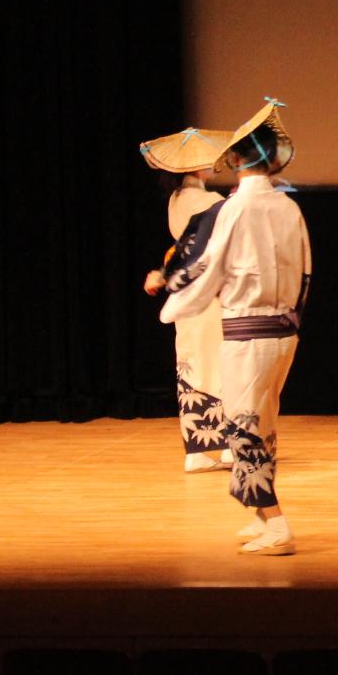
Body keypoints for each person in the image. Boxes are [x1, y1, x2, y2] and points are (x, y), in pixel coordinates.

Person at [157, 100, 311, 556]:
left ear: (238, 160)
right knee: (257, 423)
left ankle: (277, 524)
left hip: (248, 333)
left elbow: (205, 267)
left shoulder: (232, 210)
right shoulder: (288, 209)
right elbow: (305, 273)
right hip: (283, 331)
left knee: (247, 426)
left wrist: (170, 289)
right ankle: (263, 517)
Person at [139, 127, 235, 473]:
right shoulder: (208, 202)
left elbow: (180, 249)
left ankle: (196, 449)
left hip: (186, 288)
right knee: (218, 360)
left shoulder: (177, 200)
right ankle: (226, 446)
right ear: (197, 167)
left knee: (193, 361)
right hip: (207, 289)